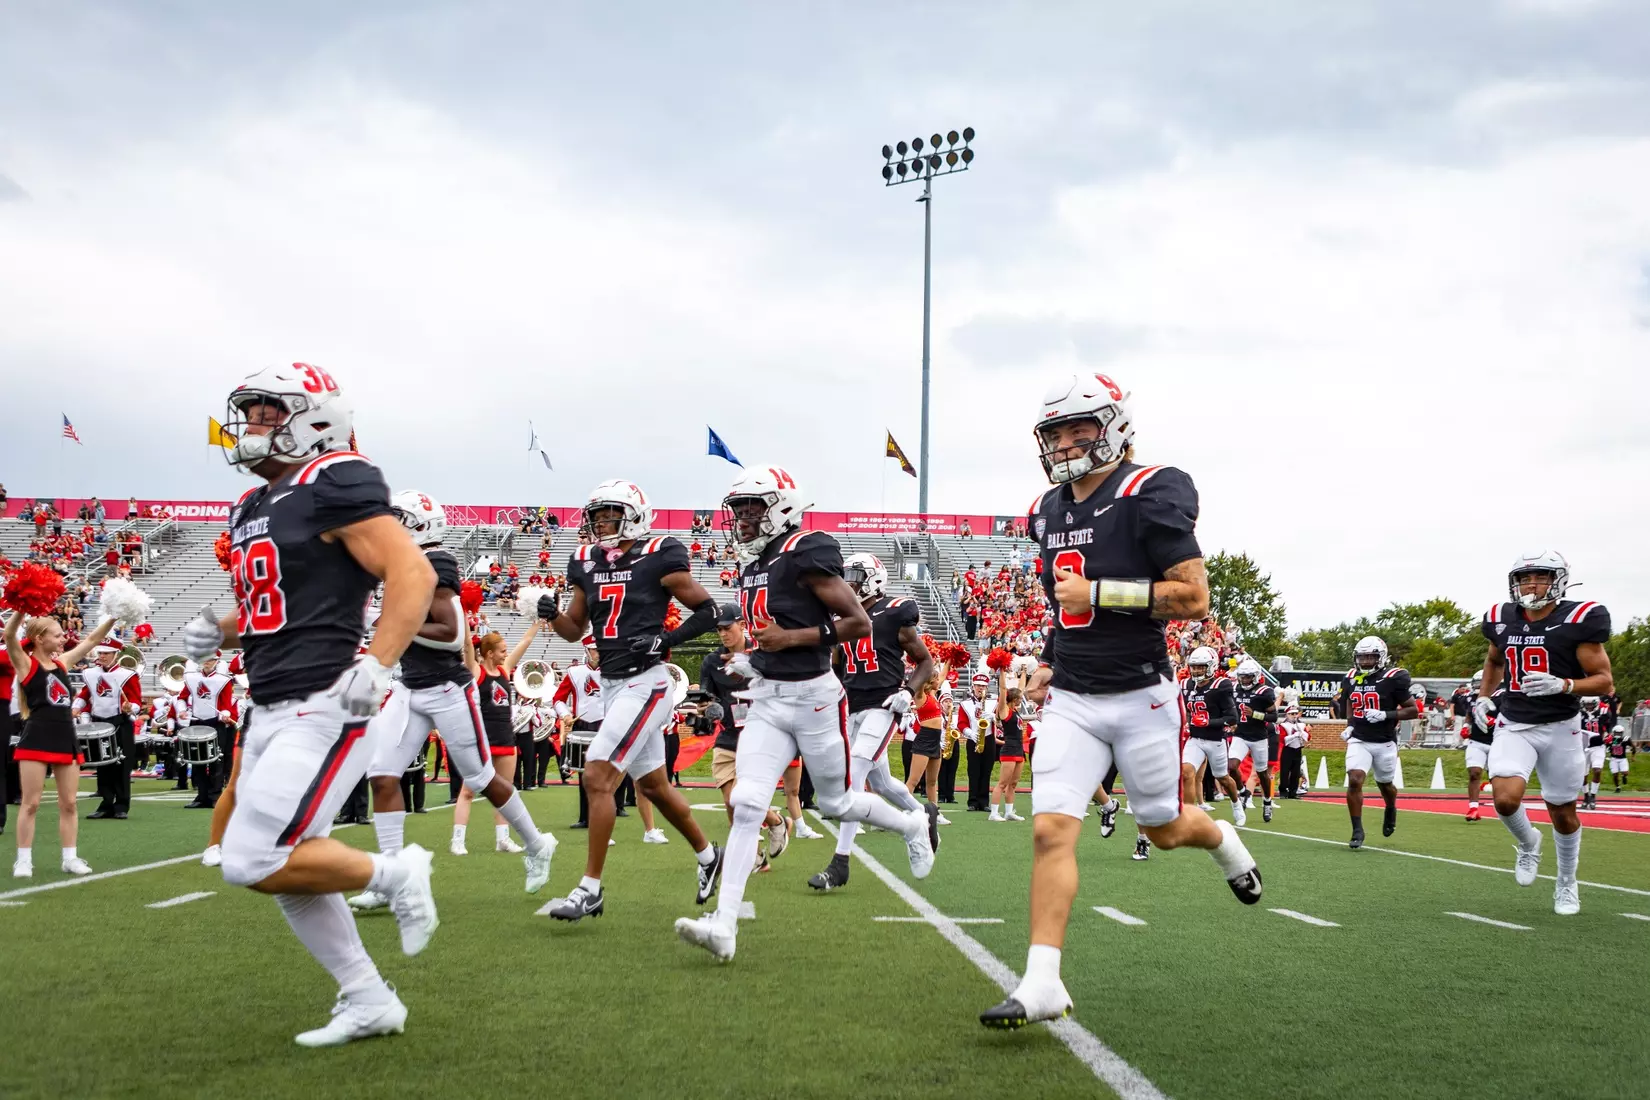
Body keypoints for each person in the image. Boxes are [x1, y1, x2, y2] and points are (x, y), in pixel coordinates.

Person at [980, 372, 1261, 1030]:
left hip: (1141, 695)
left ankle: (1223, 842)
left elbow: (1193, 600)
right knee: (1051, 830)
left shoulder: (1151, 489)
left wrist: (1104, 593)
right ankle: (1042, 979)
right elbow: (1062, 612)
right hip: (1075, 696)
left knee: (1165, 829)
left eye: (1080, 427)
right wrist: (1048, 664)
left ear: (1115, 426)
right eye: (1055, 432)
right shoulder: (1048, 509)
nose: (1066, 442)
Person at [186, 362, 439, 1046]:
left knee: (250, 859)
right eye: (253, 413)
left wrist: (377, 664)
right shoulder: (252, 505)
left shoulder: (334, 478)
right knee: (289, 862)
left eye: (268, 412)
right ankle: (368, 998)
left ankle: (395, 871)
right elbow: (282, 603)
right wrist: (222, 624)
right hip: (270, 699)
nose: (252, 426)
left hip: (323, 698)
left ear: (314, 418)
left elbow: (409, 570)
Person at [677, 465, 936, 962]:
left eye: (754, 507)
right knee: (749, 803)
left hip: (817, 698)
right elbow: (771, 633)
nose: (744, 517)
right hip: (771, 699)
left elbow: (857, 622)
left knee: (837, 803)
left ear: (782, 507)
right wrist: (755, 660)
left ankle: (910, 826)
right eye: (740, 508)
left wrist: (792, 639)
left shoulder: (806, 550)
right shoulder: (755, 564)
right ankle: (724, 925)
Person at [352, 489, 556, 909]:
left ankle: (537, 844)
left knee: (481, 778)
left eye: (399, 520)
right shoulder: (402, 564)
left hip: (447, 687)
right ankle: (390, 877)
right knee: (382, 773)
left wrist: (388, 621)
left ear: (420, 526)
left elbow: (450, 636)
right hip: (410, 687)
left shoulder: (436, 562)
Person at [538, 480, 724, 923]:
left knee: (598, 775)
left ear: (635, 515)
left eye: (610, 514)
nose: (601, 522)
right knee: (655, 787)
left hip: (649, 681)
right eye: (597, 515)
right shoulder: (585, 560)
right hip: (613, 682)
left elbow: (709, 610)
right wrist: (550, 613)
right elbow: (574, 630)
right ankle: (707, 855)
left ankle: (590, 889)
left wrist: (666, 639)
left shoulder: (660, 553)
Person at [1476, 551, 1613, 916]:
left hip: (1560, 726)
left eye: (1539, 577)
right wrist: (1484, 697)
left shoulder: (1578, 619)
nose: (1530, 585)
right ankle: (1528, 841)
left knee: (1563, 811)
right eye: (1523, 578)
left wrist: (1565, 684)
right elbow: (1493, 660)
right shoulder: (1501, 619)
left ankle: (1567, 882)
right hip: (1515, 721)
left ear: (1559, 580)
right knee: (1505, 799)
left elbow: (1605, 682)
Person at [809, 552, 935, 891]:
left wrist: (908, 691)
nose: (848, 582)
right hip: (850, 707)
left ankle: (841, 861)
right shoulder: (845, 617)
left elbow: (925, 661)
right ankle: (924, 815)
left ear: (873, 578)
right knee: (880, 784)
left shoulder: (893, 612)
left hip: (883, 704)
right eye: (845, 576)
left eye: (854, 575)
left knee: (854, 778)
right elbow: (835, 665)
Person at [5, 610, 117, 877]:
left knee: (69, 803)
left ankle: (70, 857)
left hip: (66, 737)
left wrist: (114, 617)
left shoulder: (63, 664)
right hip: (37, 736)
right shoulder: (26, 664)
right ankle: (23, 860)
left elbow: (90, 640)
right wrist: (22, 609)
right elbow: (9, 635)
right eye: (57, 635)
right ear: (40, 638)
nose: (63, 638)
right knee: (30, 803)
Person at [701, 603, 795, 874]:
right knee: (731, 802)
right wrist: (706, 707)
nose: (723, 634)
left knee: (744, 800)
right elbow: (706, 697)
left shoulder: (763, 654)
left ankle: (775, 824)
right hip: (728, 736)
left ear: (742, 625)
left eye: (727, 628)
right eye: (719, 630)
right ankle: (759, 851)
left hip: (759, 735)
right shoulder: (711, 661)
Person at [451, 627, 544, 857]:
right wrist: (463, 614)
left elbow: (526, 640)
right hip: (482, 739)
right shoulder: (476, 672)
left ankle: (503, 839)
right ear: (489, 653)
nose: (505, 653)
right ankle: (457, 840)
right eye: (502, 650)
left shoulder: (504, 670)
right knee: (467, 792)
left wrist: (537, 620)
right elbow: (467, 647)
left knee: (505, 791)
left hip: (505, 737)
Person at [1335, 636, 1418, 849]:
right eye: (1362, 657)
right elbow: (1351, 703)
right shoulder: (1351, 677)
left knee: (1385, 785)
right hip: (1359, 739)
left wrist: (1385, 714)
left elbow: (1413, 710)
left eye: (1370, 657)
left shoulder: (1393, 678)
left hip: (1384, 741)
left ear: (1380, 658)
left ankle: (1390, 807)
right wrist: (1351, 725)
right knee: (1355, 780)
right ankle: (1357, 830)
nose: (1365, 662)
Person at [77, 641, 143, 820]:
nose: (102, 656)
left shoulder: (127, 675)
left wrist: (131, 708)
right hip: (99, 721)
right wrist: (76, 707)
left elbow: (136, 700)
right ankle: (106, 804)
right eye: (100, 653)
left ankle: (121, 805)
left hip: (120, 722)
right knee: (103, 765)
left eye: (107, 653)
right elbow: (85, 694)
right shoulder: (91, 674)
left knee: (121, 764)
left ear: (115, 654)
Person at [1181, 646, 1245, 823]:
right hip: (1195, 739)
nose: (1196, 670)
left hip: (1215, 740)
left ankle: (1236, 803)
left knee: (1223, 778)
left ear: (1211, 666)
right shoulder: (1186, 685)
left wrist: (1208, 722)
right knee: (1186, 772)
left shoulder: (1220, 685)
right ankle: (1188, 816)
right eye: (1194, 666)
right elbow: (1185, 710)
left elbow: (1233, 718)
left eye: (1200, 666)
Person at [553, 636, 609, 825]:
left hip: (605, 725)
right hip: (582, 724)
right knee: (584, 774)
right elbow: (558, 699)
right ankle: (585, 818)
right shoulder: (574, 672)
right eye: (594, 650)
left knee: (603, 774)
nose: (598, 653)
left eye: (600, 649)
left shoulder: (613, 671)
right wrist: (565, 715)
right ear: (586, 651)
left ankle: (603, 815)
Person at [181, 651, 238, 808]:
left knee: (215, 761)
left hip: (215, 723)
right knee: (197, 761)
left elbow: (226, 703)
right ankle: (201, 796)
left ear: (216, 661)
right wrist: (182, 709)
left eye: (210, 659)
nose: (206, 661)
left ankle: (215, 797)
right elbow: (182, 697)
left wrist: (225, 714)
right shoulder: (192, 678)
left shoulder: (223, 680)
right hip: (197, 722)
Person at [1228, 658, 1277, 822]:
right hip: (1240, 735)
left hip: (1258, 737)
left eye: (1248, 677)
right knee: (1232, 766)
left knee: (1262, 774)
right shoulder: (1235, 688)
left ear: (1255, 677)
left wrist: (1255, 714)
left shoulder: (1265, 692)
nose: (1244, 680)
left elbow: (1274, 716)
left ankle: (1267, 802)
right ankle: (1243, 792)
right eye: (1242, 677)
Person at [989, 669, 1027, 822]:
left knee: (1014, 783)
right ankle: (994, 813)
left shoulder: (1015, 711)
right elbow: (1003, 689)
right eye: (1019, 697)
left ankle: (1009, 812)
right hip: (1009, 748)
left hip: (1019, 749)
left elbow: (1022, 688)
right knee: (1003, 783)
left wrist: (1024, 672)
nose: (1021, 698)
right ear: (1014, 698)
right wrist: (1002, 671)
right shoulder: (1004, 711)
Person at [958, 673, 997, 812]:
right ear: (973, 686)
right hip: (973, 738)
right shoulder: (965, 704)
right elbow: (961, 724)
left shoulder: (994, 703)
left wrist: (994, 716)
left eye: (983, 686)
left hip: (989, 738)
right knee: (973, 771)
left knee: (986, 771)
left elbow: (1002, 720)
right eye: (978, 686)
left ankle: (984, 801)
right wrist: (971, 733)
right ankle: (973, 801)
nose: (980, 688)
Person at [1580, 696, 1606, 811]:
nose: (1589, 706)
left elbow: (1608, 727)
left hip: (1598, 746)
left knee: (1597, 770)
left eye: (1591, 704)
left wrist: (1607, 736)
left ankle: (1593, 796)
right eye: (1587, 704)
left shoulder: (1603, 713)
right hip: (1584, 747)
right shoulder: (1579, 715)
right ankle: (1586, 797)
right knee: (1583, 776)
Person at [1278, 706, 1310, 799]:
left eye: (1296, 714)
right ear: (1287, 715)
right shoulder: (1283, 725)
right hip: (1287, 750)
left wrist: (1302, 733)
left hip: (1298, 749)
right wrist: (1294, 735)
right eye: (1292, 714)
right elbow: (1282, 740)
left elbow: (1308, 737)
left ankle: (1293, 792)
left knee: (1295, 772)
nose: (1294, 716)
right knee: (1285, 771)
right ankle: (1283, 792)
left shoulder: (1302, 725)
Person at [1607, 725, 1632, 792]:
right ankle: (1618, 787)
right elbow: (1606, 746)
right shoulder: (1610, 738)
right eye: (1616, 732)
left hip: (1622, 759)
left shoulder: (1626, 739)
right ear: (1613, 732)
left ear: (1622, 733)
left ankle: (1624, 776)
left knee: (1625, 772)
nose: (1618, 734)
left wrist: (1633, 756)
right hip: (1613, 759)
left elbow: (1633, 746)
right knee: (1615, 775)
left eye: (1619, 733)